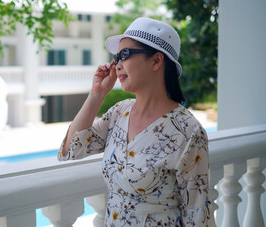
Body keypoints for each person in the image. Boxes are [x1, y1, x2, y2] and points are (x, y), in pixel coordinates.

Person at [58, 17, 211, 227]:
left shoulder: (188, 131)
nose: (116, 64)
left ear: (157, 61)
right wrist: (97, 94)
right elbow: (70, 151)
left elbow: (197, 212)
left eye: (125, 55)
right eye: (115, 57)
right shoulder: (119, 113)